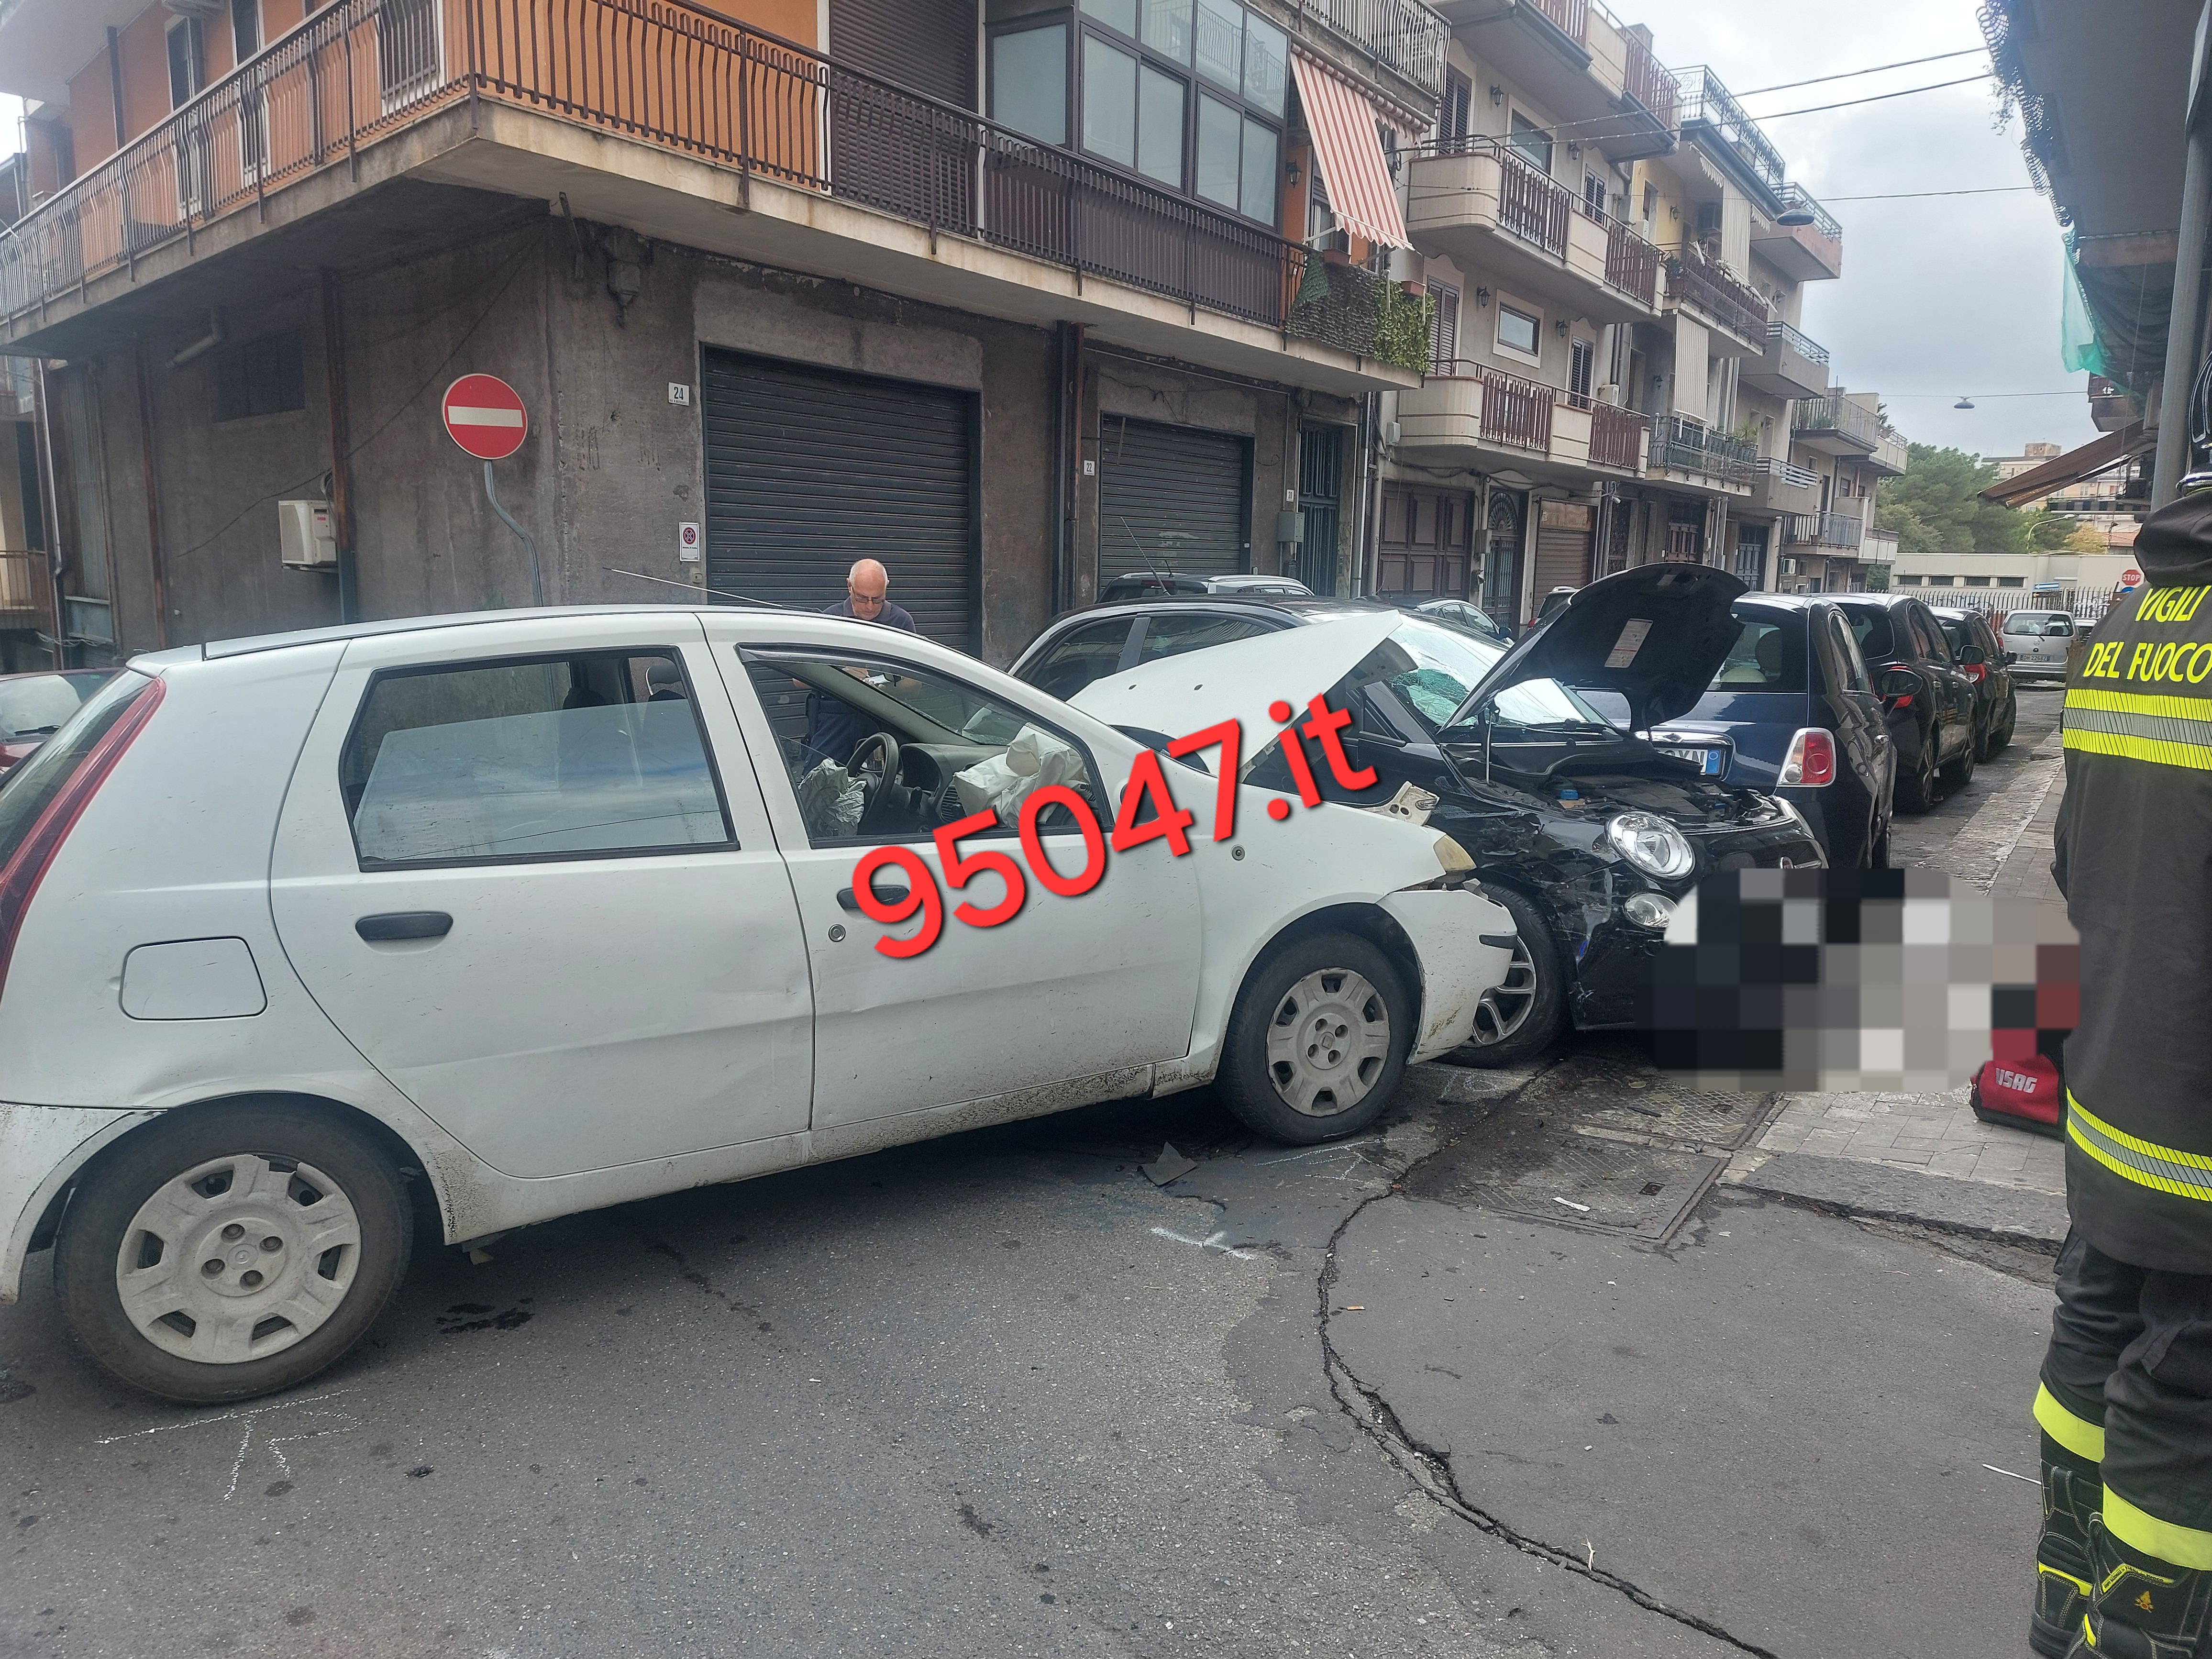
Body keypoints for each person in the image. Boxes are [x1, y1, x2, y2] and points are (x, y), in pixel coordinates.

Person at [2030, 489, 2212, 1659]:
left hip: (2114, 1105)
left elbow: (2068, 855)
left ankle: (2063, 1618)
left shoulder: (2126, 634)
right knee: (2186, 1405)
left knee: (2094, 1342)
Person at [808, 559, 916, 769]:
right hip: (837, 717)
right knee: (820, 783)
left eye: (878, 600)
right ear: (849, 586)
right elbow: (799, 679)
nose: (869, 606)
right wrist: (841, 673)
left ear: (887, 588)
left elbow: (915, 686)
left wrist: (882, 687)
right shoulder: (830, 620)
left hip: (885, 717)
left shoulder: (901, 622)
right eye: (862, 598)